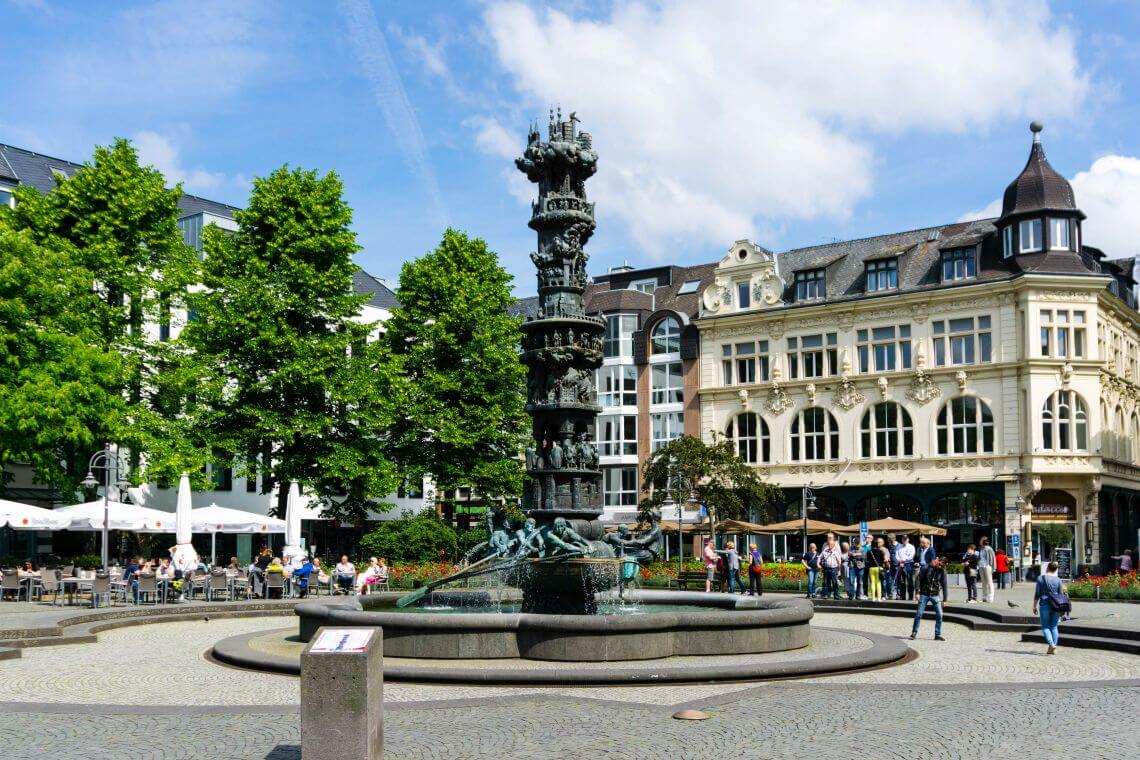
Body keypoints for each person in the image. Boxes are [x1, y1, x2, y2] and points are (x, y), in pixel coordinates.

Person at [1033, 561, 1069, 655]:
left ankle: (1052, 644)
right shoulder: (1058, 580)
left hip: (1044, 604)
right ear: (1056, 569)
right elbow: (1061, 595)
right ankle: (1053, 648)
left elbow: (1037, 594)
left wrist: (1034, 606)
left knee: (1045, 626)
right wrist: (1063, 609)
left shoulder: (1040, 578)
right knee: (1054, 626)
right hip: (1056, 605)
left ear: (1047, 568)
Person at [910, 555, 948, 641]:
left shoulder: (942, 571)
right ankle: (914, 632)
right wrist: (917, 592)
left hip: (935, 595)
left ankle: (937, 634)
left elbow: (944, 585)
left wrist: (945, 599)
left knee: (940, 614)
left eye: (942, 566)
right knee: (919, 614)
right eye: (939, 564)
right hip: (924, 594)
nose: (940, 567)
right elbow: (918, 579)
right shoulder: (926, 567)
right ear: (937, 560)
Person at [819, 534, 842, 600]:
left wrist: (839, 569)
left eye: (830, 537)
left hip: (834, 567)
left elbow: (839, 555)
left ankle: (836, 594)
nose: (828, 538)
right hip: (826, 567)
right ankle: (827, 594)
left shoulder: (836, 544)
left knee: (834, 582)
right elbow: (822, 554)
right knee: (826, 582)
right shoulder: (824, 544)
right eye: (828, 537)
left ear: (833, 538)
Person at [868, 537, 888, 602]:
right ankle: (879, 598)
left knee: (872, 583)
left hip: (871, 568)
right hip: (879, 568)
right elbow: (885, 560)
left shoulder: (869, 552)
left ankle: (873, 598)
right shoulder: (881, 551)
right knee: (878, 583)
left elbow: (868, 560)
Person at [978, 537, 997, 603]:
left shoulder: (989, 549)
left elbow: (993, 558)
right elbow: (980, 558)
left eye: (981, 540)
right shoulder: (981, 549)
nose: (980, 542)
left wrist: (993, 567)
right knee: (983, 582)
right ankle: (984, 597)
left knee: (989, 582)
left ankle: (991, 597)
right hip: (981, 566)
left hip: (987, 566)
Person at [897, 535, 916, 600]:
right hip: (900, 564)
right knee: (902, 581)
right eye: (903, 539)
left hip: (908, 564)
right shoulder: (899, 546)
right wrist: (899, 561)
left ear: (908, 539)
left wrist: (904, 561)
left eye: (906, 539)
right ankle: (903, 596)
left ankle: (910, 596)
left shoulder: (911, 547)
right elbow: (897, 554)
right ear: (902, 539)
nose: (904, 540)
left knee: (909, 580)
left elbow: (911, 556)